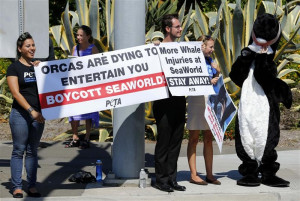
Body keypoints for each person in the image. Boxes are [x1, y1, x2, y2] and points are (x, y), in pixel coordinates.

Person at [6, 32, 45, 198]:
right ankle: (17, 187)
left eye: (33, 45)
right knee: (19, 150)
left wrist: (42, 69)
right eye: (28, 46)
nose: (32, 48)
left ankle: (32, 185)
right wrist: (31, 111)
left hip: (39, 116)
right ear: (20, 49)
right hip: (21, 115)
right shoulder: (14, 68)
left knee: (32, 151)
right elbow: (16, 93)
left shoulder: (39, 67)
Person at [153, 14, 186, 193]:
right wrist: (155, 48)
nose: (180, 29)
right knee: (164, 141)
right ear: (168, 29)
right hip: (163, 100)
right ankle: (161, 179)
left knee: (176, 142)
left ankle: (172, 178)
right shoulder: (157, 48)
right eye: (177, 27)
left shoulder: (183, 48)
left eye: (180, 26)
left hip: (179, 99)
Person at [186, 35, 221, 186]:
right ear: (202, 46)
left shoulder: (211, 62)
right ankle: (193, 174)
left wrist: (217, 73)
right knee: (193, 137)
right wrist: (208, 80)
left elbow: (216, 79)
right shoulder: (192, 60)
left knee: (208, 137)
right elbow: (190, 78)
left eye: (213, 47)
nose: (212, 50)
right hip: (196, 100)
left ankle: (209, 174)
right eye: (210, 47)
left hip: (210, 100)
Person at [65, 25, 100, 149]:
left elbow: (98, 67)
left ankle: (86, 137)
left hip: (88, 85)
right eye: (77, 35)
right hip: (76, 84)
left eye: (81, 35)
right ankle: (75, 137)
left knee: (88, 111)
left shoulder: (93, 49)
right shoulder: (75, 48)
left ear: (88, 36)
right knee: (74, 111)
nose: (78, 37)